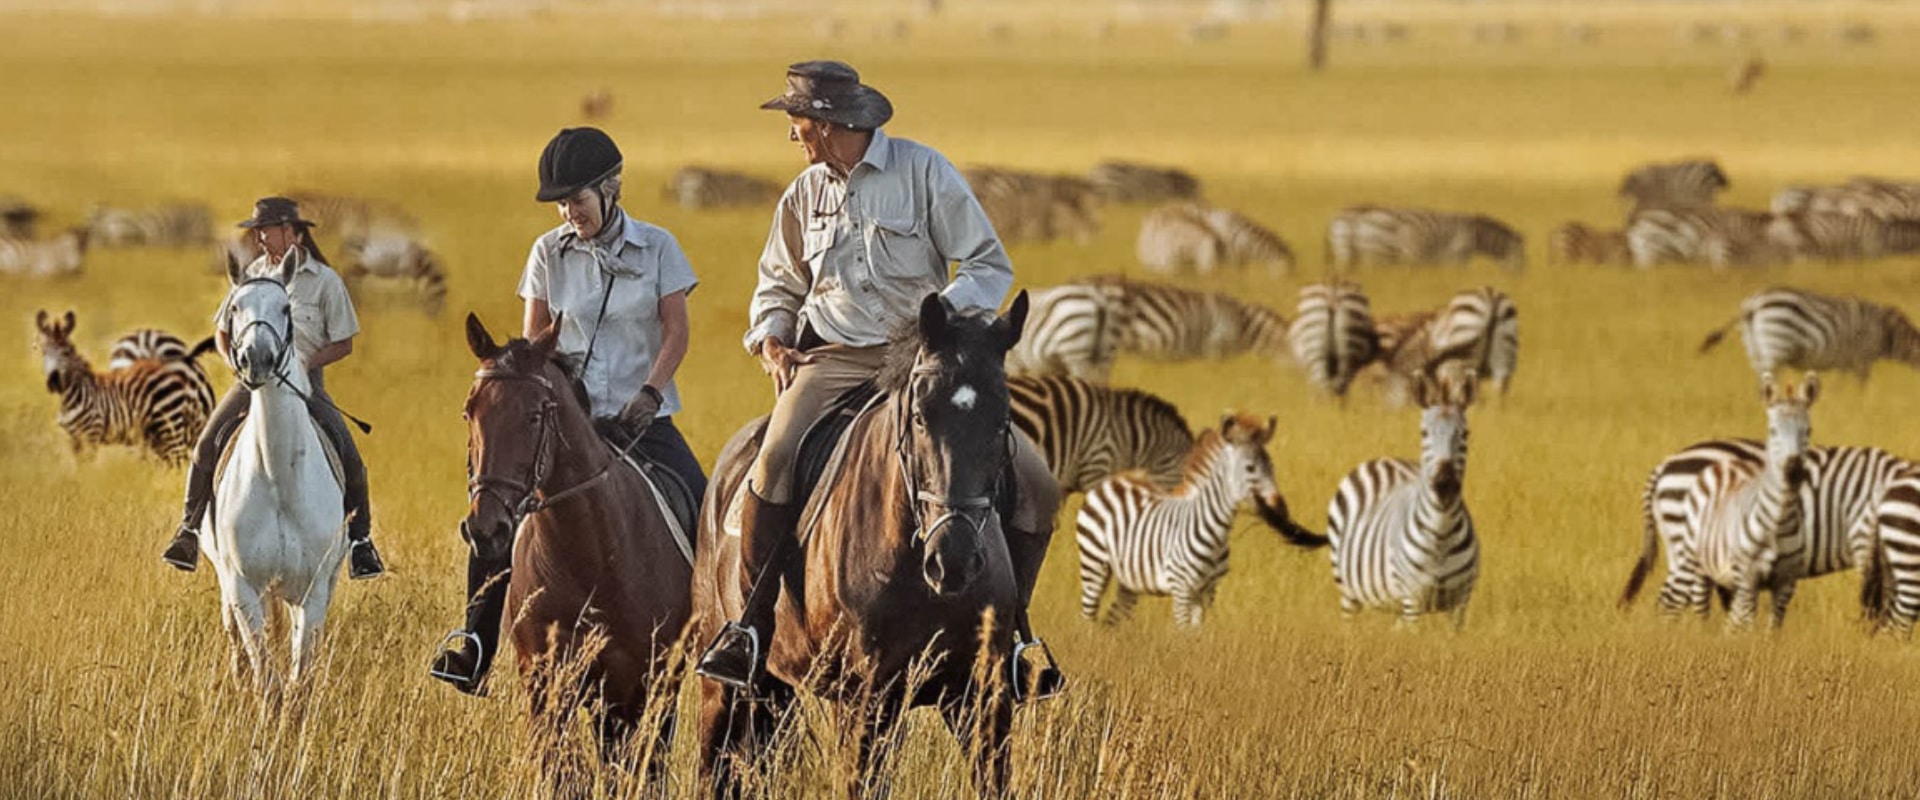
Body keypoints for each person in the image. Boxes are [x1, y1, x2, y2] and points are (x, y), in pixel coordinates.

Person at [694, 61, 1062, 696]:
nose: (793, 137)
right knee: (774, 459)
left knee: (1037, 483)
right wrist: (773, 336)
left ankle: (1014, 636)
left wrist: (941, 319)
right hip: (832, 360)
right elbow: (777, 284)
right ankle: (750, 631)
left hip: (922, 358)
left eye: (798, 123)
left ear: (834, 124)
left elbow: (987, 264)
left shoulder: (925, 173)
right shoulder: (803, 194)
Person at [428, 126, 706, 694]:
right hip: (564, 425)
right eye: (560, 202)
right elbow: (535, 344)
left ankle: (723, 637)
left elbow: (676, 333)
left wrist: (650, 394)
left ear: (611, 189)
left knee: (703, 508)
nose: (567, 212)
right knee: (497, 516)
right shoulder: (546, 253)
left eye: (576, 199)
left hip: (641, 422)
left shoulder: (658, 248)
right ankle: (474, 643)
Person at [162, 197, 387, 580]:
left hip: (306, 384)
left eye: (266, 230)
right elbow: (221, 331)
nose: (260, 238)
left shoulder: (325, 281)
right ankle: (189, 531)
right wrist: (233, 360)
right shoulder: (251, 273)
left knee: (350, 456)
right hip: (252, 380)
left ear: (292, 231)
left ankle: (361, 542)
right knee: (205, 445)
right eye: (257, 232)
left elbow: (344, 342)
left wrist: (304, 364)